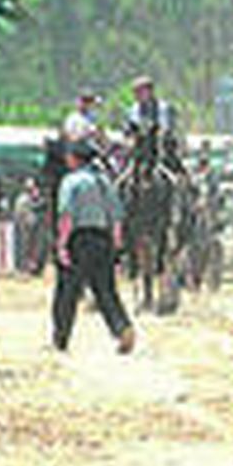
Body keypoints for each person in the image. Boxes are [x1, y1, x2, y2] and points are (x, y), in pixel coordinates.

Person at [53, 140, 135, 354]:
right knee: (106, 291)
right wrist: (116, 246)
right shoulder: (105, 182)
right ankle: (122, 327)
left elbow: (66, 215)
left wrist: (62, 245)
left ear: (76, 159)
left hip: (79, 239)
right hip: (103, 239)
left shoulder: (71, 181)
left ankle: (61, 338)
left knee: (67, 291)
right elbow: (116, 218)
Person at [123, 75, 183, 175]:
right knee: (126, 174)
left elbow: (165, 128)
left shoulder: (162, 107)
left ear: (150, 91)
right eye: (135, 92)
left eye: (140, 91)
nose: (136, 95)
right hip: (141, 149)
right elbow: (129, 130)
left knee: (175, 169)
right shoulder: (133, 109)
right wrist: (129, 140)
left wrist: (157, 134)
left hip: (161, 147)